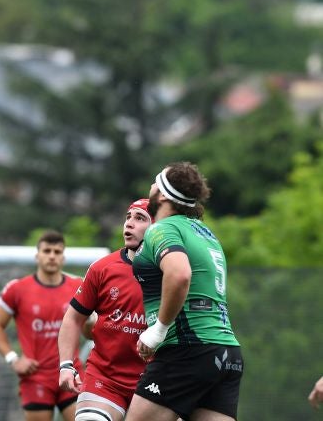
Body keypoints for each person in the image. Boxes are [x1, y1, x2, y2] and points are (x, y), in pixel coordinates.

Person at [127, 162, 243, 421]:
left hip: (187, 350)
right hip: (226, 353)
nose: (151, 185)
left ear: (164, 195)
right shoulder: (205, 232)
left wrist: (158, 330)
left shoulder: (164, 228)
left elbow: (180, 275)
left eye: (156, 181)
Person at [57, 199, 154, 421]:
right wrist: (65, 365)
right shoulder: (103, 268)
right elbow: (73, 319)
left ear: (157, 229)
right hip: (105, 379)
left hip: (155, 379)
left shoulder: (173, 273)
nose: (129, 224)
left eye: (140, 218)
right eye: (128, 217)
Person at [0, 231, 83, 421]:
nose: (52, 256)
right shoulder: (17, 289)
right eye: (47, 251)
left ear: (63, 257)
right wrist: (13, 359)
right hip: (36, 377)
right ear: (37, 255)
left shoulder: (78, 287)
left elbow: (90, 330)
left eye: (57, 251)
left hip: (72, 373)